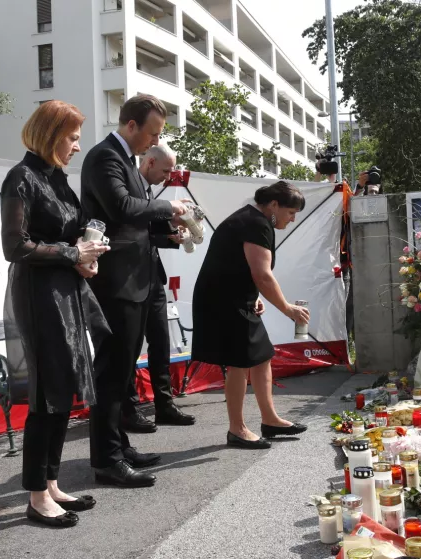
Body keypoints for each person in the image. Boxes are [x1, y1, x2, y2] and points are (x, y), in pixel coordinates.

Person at [0, 100, 106, 527]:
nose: (78, 146)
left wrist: (88, 251)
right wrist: (71, 252)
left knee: (62, 388)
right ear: (51, 135)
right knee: (47, 395)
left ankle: (52, 483)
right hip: (38, 294)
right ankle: (36, 495)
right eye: (74, 137)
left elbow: (75, 228)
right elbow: (15, 246)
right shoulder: (20, 178)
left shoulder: (56, 177)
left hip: (66, 290)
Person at [81, 94, 190, 488]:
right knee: (111, 373)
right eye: (152, 133)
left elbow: (134, 222)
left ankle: (119, 446)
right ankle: (107, 460)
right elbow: (122, 209)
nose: (153, 141)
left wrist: (166, 233)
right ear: (131, 126)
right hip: (117, 283)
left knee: (122, 371)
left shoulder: (124, 158)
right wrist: (168, 209)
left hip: (136, 281)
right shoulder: (104, 157)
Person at [191, 181, 311, 449]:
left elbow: (238, 265)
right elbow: (263, 275)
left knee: (261, 356)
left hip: (234, 297)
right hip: (224, 301)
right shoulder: (255, 224)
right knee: (240, 361)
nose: (292, 219)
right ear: (274, 205)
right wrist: (288, 309)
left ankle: (270, 420)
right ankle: (237, 430)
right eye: (291, 212)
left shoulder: (252, 219)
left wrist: (254, 295)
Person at [121, 143, 196, 429]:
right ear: (149, 162)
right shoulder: (128, 185)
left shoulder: (149, 188)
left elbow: (148, 232)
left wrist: (171, 237)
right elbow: (129, 229)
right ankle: (128, 409)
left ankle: (164, 404)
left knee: (161, 343)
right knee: (128, 347)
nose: (168, 176)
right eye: (166, 170)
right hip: (130, 279)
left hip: (152, 277)